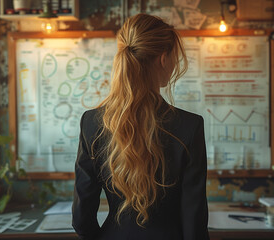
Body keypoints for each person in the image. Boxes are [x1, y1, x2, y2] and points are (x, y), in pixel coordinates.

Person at [72, 13, 209, 240]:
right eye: (174, 57)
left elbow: (81, 219)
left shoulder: (91, 122)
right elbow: (194, 221)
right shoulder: (190, 126)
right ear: (163, 59)